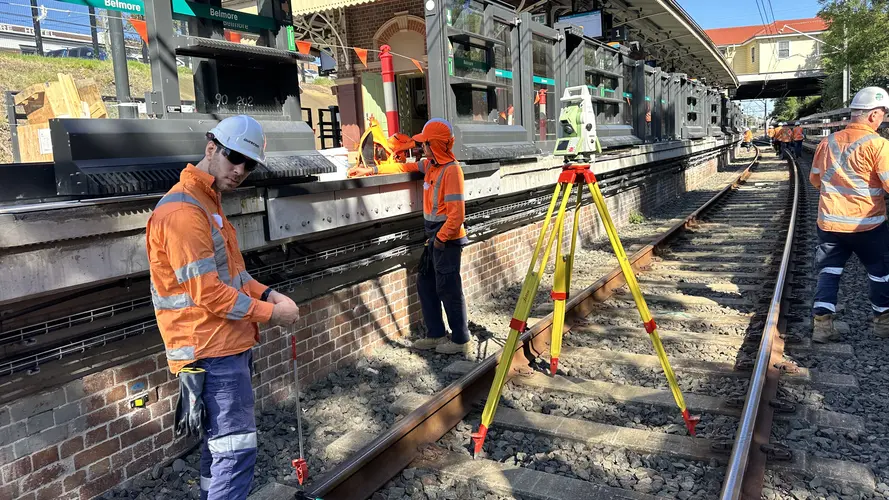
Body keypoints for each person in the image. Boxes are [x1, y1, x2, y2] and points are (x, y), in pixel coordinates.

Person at [146, 115, 301, 500]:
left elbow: (236, 278)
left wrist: (269, 296)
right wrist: (272, 315)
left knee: (220, 452)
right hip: (209, 350)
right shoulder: (185, 213)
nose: (240, 169)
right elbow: (208, 294)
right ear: (211, 148)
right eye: (234, 157)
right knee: (234, 453)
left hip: (222, 345)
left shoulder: (207, 203)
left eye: (249, 164)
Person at [348, 119, 475, 355]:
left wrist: (439, 240)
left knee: (449, 289)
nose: (421, 148)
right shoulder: (431, 166)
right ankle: (436, 334)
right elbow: (404, 168)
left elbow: (456, 216)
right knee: (426, 284)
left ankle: (460, 340)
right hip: (434, 237)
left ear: (434, 145)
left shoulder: (451, 171)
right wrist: (373, 169)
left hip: (446, 239)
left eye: (424, 144)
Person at [809, 86, 889, 342]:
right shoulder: (879, 146)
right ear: (874, 114)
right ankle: (882, 324)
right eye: (884, 114)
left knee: (829, 272)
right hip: (868, 225)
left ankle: (822, 326)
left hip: (830, 223)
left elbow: (815, 181)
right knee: (879, 272)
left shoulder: (827, 142)